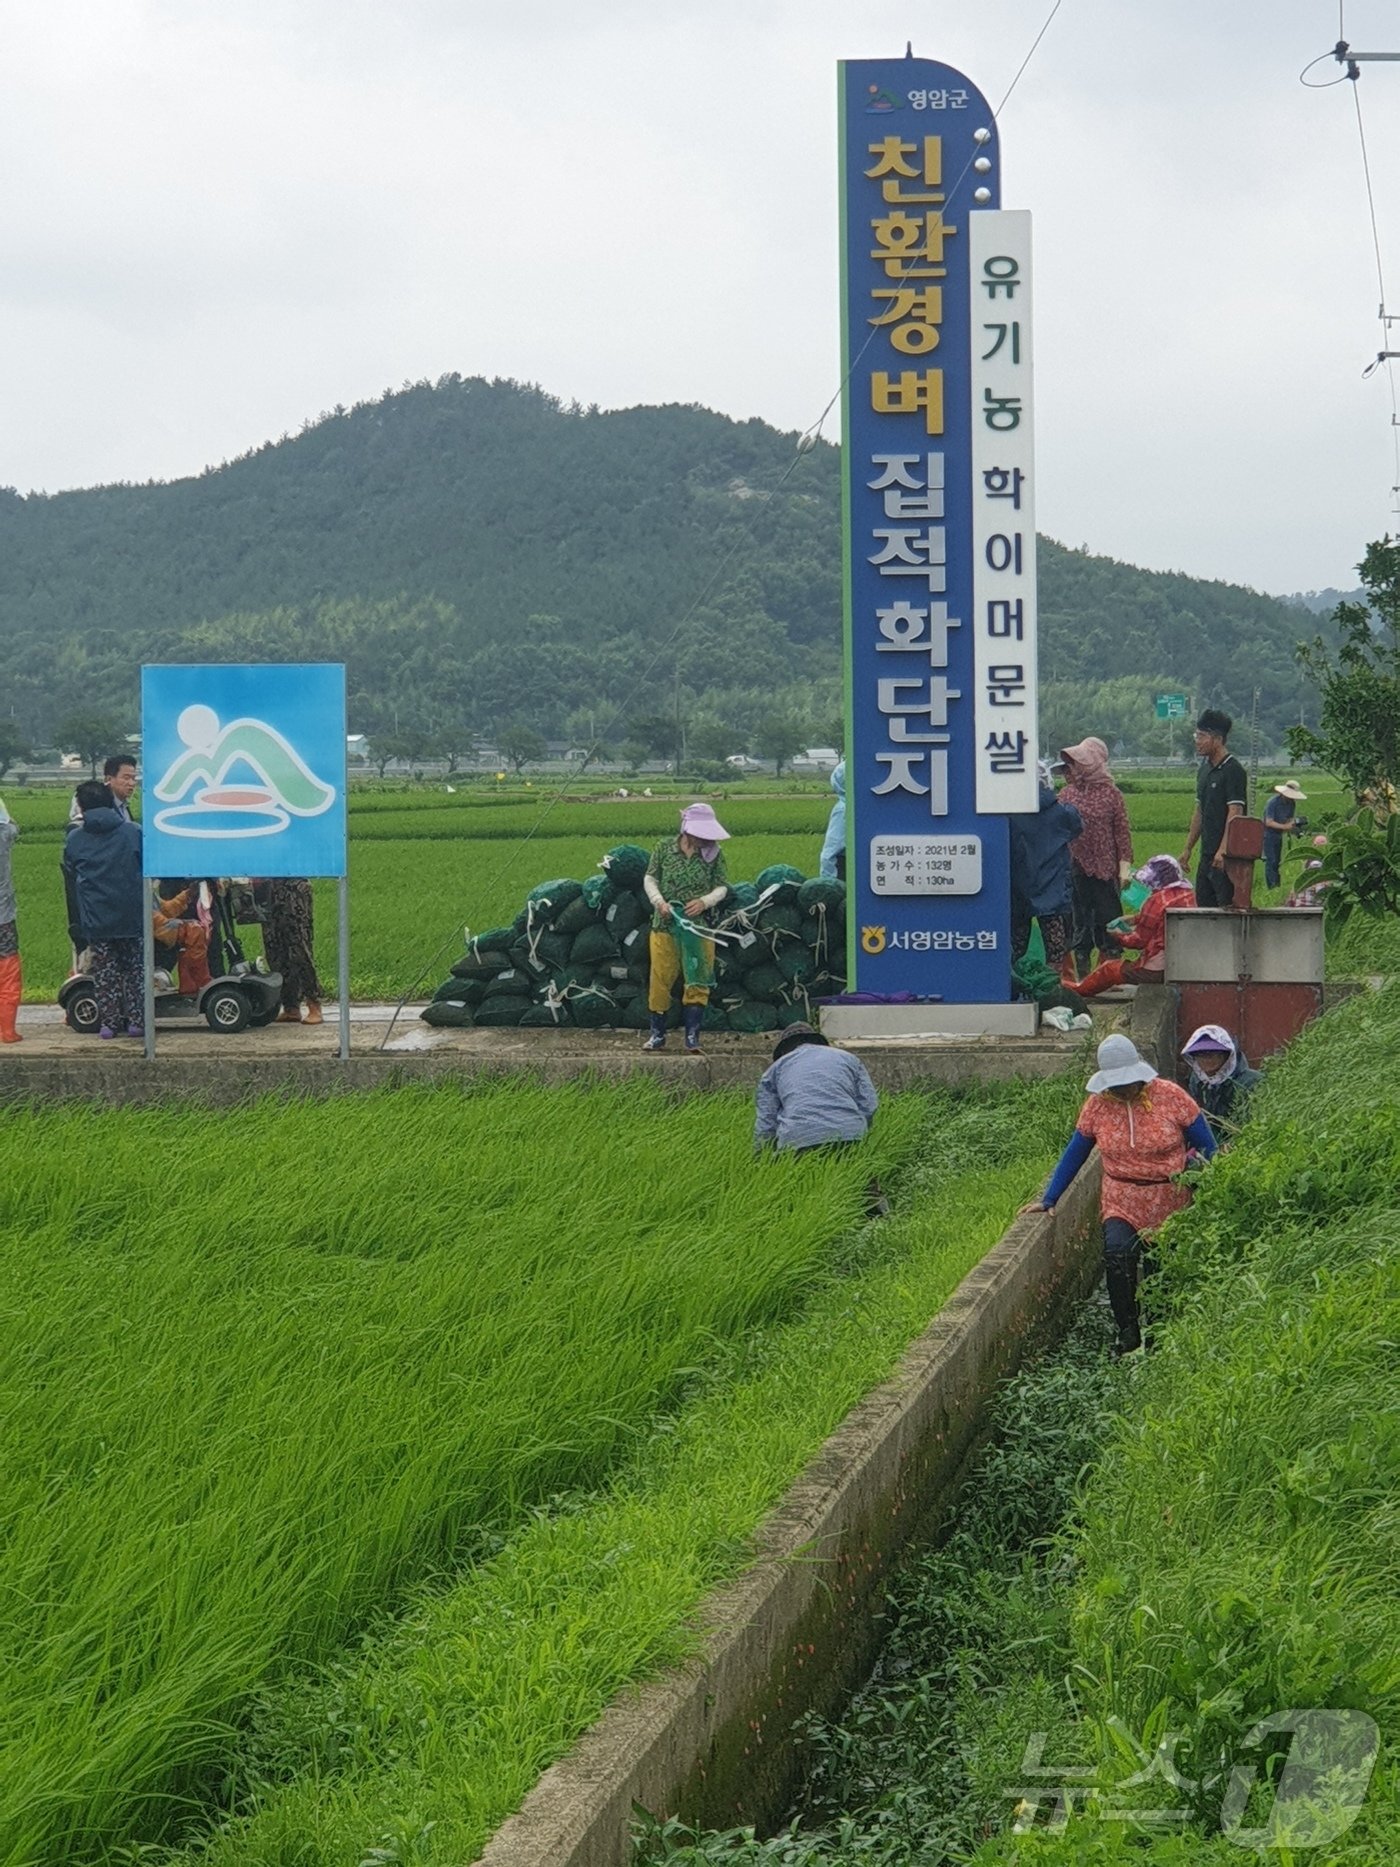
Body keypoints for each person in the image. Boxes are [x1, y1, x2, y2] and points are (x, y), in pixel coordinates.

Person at [1022, 1033, 1217, 1356]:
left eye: (1126, 1083)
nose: (1122, 1090)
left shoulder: (1171, 1097)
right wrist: (1049, 1198)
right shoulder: (1097, 1106)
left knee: (1161, 1269)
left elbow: (1207, 1144)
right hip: (1121, 1196)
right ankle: (1127, 1331)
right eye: (1115, 1085)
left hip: (1169, 1198)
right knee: (1117, 1255)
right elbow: (1076, 1152)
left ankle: (1158, 1335)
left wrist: (1211, 1179)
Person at [642, 802, 730, 1053]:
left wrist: (705, 902)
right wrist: (660, 902)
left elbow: (722, 886)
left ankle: (692, 1036)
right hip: (665, 925)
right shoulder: (663, 849)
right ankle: (657, 1035)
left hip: (699, 927)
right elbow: (650, 878)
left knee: (698, 979)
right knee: (661, 977)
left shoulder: (714, 854)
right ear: (687, 831)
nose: (704, 839)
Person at [63, 778, 146, 1039]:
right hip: (132, 915)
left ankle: (109, 1024)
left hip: (97, 919)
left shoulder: (75, 838)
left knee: (106, 973)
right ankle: (137, 1022)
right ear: (111, 803)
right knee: (134, 970)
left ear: (82, 808)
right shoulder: (133, 832)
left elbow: (71, 866)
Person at [1058, 737, 1134, 982]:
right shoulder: (1066, 794)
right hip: (1075, 868)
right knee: (1080, 923)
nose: (1072, 768)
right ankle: (1081, 978)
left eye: (1077, 762)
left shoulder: (1112, 795)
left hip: (1104, 869)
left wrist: (1125, 868)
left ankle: (1110, 976)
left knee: (1109, 921)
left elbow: (1122, 832)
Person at [1071, 855, 1196, 997]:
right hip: (1184, 965)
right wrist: (1134, 919)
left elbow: (1138, 941)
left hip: (1156, 970)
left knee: (1109, 970)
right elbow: (1161, 917)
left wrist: (1117, 935)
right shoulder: (1188, 895)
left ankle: (1075, 991)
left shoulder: (1156, 901)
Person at [754, 1022, 878, 1150]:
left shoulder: (775, 1069)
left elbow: (766, 1120)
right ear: (817, 1042)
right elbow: (868, 1103)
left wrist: (760, 1156)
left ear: (784, 1050)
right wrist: (856, 1127)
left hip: (798, 1139)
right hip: (850, 1135)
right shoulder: (849, 1058)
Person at [1009, 759, 1083, 971]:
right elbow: (1077, 827)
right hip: (1051, 887)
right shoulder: (1062, 813)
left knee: (1016, 943)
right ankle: (1052, 990)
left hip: (1019, 886)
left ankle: (1011, 986)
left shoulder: (1010, 813)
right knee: (1055, 948)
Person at [1181, 709, 1247, 908]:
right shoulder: (1204, 770)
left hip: (1226, 858)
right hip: (1206, 854)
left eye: (1202, 736)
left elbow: (1235, 813)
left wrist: (1223, 850)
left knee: (1226, 907)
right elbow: (1200, 810)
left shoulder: (1233, 770)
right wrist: (1188, 848)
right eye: (1196, 735)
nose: (1197, 741)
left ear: (1218, 739)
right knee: (1203, 906)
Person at [260, 878, 324, 1023]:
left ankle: (313, 1003)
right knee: (274, 948)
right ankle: (290, 1006)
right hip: (269, 887)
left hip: (294, 886)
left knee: (298, 947)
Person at [1181, 1024, 1261, 1137]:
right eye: (1200, 1055)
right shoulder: (1197, 1080)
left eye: (1212, 1054)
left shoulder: (1252, 1082)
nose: (1206, 1060)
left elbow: (1257, 1123)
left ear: (1227, 1055)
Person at [0, 796, 21, 1043]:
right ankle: (7, 1030)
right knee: (8, 971)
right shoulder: (4, 834)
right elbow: (14, 827)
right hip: (3, 917)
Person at [1262, 780, 1307, 889]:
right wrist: (1285, 827)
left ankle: (1277, 885)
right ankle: (1271, 886)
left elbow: (1289, 818)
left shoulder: (1291, 803)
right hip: (1268, 834)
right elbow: (1268, 822)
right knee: (1271, 861)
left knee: (1277, 861)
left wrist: (1294, 826)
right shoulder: (1273, 802)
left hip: (1278, 834)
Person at [818, 760, 846, 881]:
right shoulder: (846, 808)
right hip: (843, 871)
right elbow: (832, 849)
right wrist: (829, 884)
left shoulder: (845, 808)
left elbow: (830, 849)